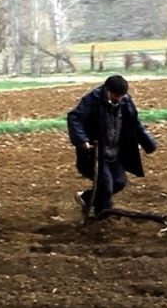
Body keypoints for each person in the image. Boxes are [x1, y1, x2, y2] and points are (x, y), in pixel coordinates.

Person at [67, 75, 157, 218]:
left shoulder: (125, 101)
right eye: (116, 95)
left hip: (113, 151)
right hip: (95, 153)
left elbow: (135, 123)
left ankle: (86, 197)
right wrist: (82, 141)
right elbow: (74, 119)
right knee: (106, 185)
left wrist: (148, 143)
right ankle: (102, 217)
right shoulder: (92, 100)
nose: (119, 99)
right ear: (107, 90)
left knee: (120, 182)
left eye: (122, 96)